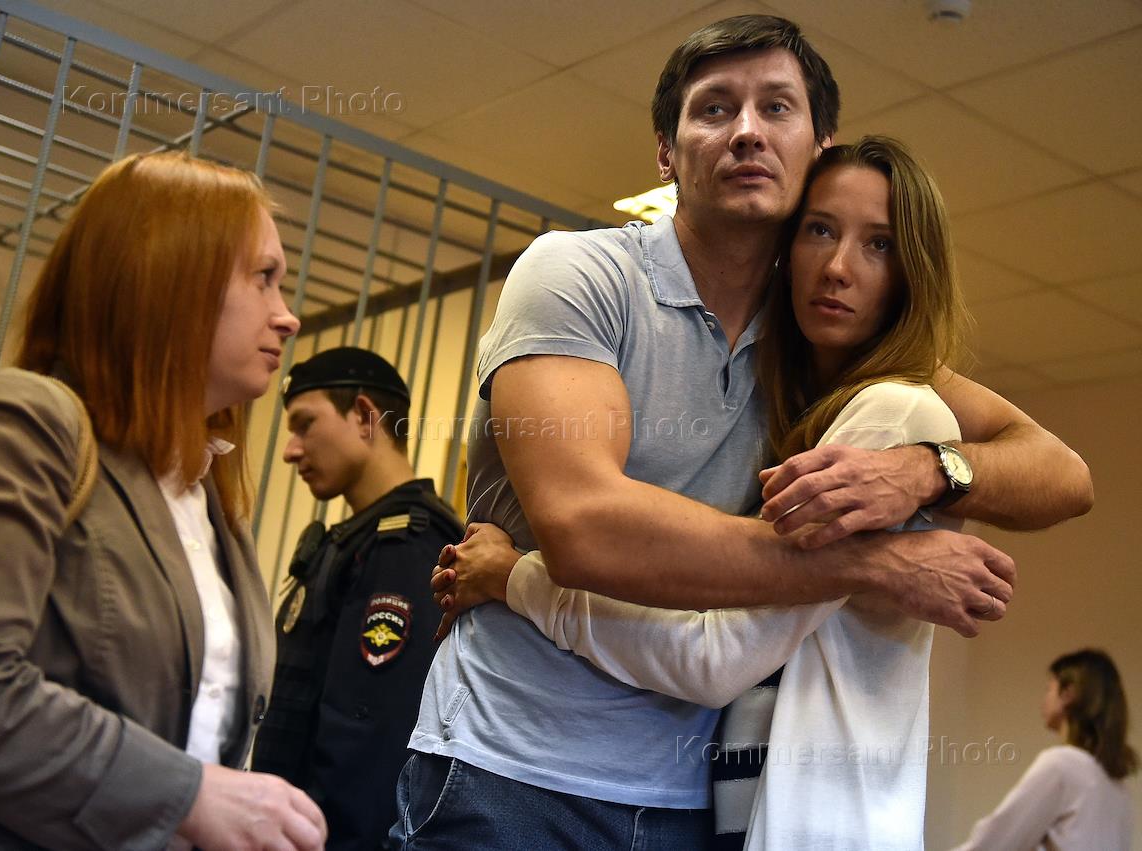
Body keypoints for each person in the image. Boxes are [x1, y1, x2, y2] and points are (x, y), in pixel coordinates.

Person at [393, 15, 1092, 851]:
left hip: (689, 800)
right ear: (667, 150)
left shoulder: (820, 338)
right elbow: (585, 528)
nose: (749, 131)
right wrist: (873, 562)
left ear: (818, 148)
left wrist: (925, 470)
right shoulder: (580, 274)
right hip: (511, 770)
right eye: (716, 108)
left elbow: (1062, 472)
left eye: (777, 107)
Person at [431, 135, 971, 849]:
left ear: (912, 274)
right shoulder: (807, 399)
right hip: (721, 805)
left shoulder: (894, 414)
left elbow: (712, 658)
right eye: (819, 230)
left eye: (879, 245)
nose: (838, 267)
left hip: (813, 825)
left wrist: (511, 578)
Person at [0, 151, 327, 851]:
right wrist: (188, 793)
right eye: (263, 278)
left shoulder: (207, 493)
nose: (288, 316)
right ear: (171, 276)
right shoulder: (26, 420)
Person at [252, 347, 464, 851]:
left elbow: (367, 742)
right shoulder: (357, 539)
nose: (290, 450)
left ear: (365, 416)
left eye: (305, 425)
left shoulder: (406, 543)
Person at [953, 649, 1137, 850]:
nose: (1044, 699)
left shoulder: (1063, 765)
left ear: (1068, 694)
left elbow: (995, 842)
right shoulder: (1119, 790)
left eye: (1049, 689)